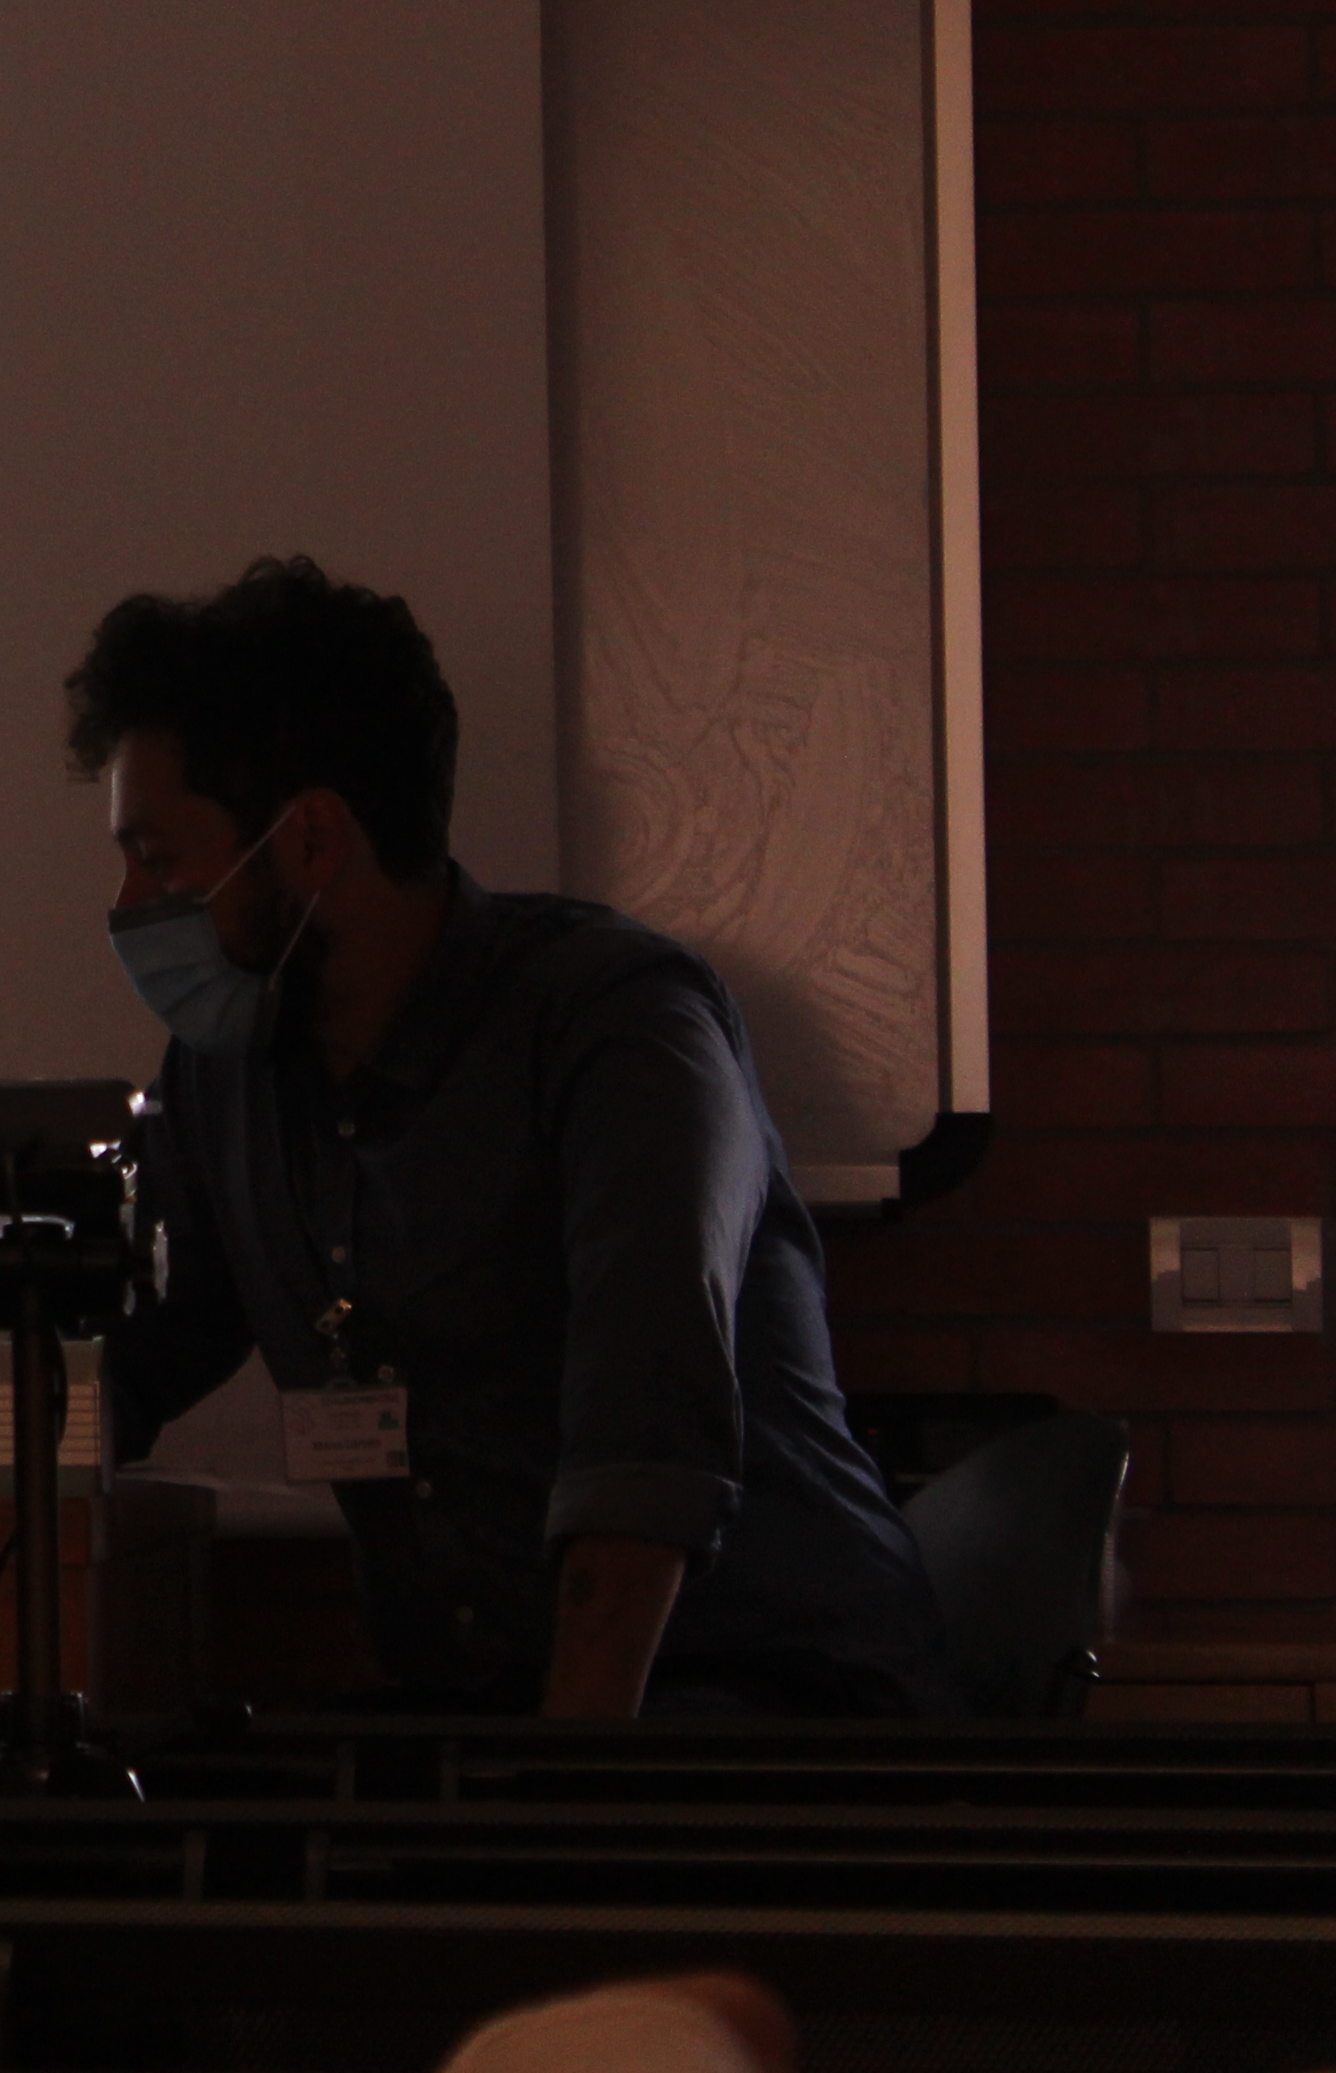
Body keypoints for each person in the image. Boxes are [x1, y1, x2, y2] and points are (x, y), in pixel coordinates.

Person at [78, 556, 958, 1718]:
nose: (129, 907)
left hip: (761, 1701)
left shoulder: (619, 1029)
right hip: (488, 1707)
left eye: (159, 859)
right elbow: (134, 1356)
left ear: (311, 841)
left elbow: (644, 1437)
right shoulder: (223, 1075)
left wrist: (553, 1801)